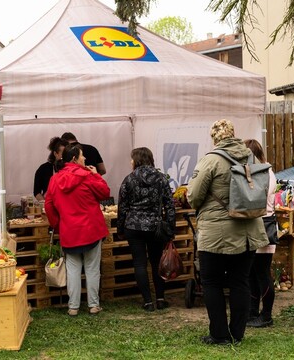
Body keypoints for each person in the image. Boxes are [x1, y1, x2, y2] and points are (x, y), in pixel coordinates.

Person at [186, 119, 268, 346]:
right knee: (240, 281)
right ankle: (237, 334)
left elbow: (193, 197)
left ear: (214, 138)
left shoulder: (211, 161)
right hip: (248, 231)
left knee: (211, 282)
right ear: (234, 135)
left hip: (216, 233)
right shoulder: (250, 157)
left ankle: (220, 334)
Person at [44, 143, 110, 316]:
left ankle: (73, 307)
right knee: (92, 268)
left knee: (72, 269)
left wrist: (58, 224)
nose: (85, 158)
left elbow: (49, 205)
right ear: (74, 158)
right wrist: (97, 175)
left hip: (69, 231)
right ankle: (93, 305)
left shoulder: (55, 179)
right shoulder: (87, 175)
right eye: (82, 156)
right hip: (91, 229)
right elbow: (104, 193)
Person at [117, 147, 175, 312]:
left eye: (132, 159)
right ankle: (161, 299)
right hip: (155, 228)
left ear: (137, 160)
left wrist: (120, 229)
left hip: (134, 227)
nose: (130, 162)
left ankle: (148, 302)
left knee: (139, 263)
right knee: (157, 262)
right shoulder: (161, 179)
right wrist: (170, 228)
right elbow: (169, 206)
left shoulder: (129, 180)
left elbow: (122, 207)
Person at [243, 139, 277, 328]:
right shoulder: (260, 171)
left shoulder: (266, 173)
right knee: (251, 273)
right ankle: (253, 312)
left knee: (262, 273)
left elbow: (259, 199)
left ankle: (266, 315)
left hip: (264, 223)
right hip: (256, 223)